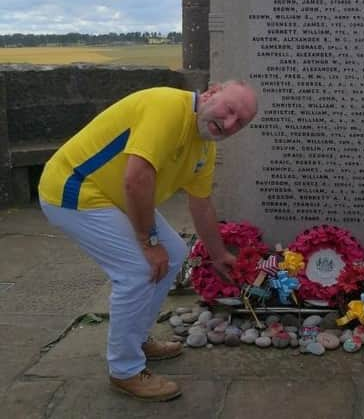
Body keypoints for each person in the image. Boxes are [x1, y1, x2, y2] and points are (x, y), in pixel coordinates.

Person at [38, 81, 258, 401]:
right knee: (139, 270)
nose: (229, 124)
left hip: (111, 197)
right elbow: (136, 178)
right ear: (211, 93)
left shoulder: (204, 147)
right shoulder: (168, 107)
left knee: (175, 254)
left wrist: (218, 253)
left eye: (240, 122)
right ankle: (125, 370)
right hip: (73, 189)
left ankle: (137, 338)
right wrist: (148, 241)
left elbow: (201, 203)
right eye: (229, 110)